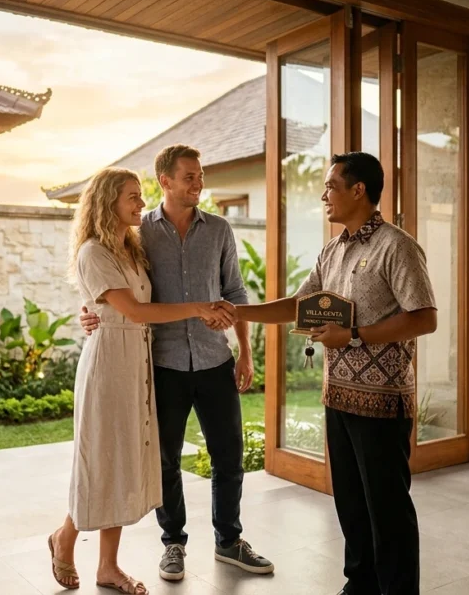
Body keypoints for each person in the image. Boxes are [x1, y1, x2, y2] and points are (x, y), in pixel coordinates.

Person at [235, 152, 437, 595]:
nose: (324, 195)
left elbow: (424, 318)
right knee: (350, 503)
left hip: (383, 401)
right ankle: (359, 586)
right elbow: (297, 306)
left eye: (331, 186)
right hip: (338, 398)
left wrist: (356, 335)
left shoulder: (397, 246)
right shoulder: (332, 249)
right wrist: (237, 311)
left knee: (387, 508)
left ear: (358, 190)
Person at [80, 145, 275, 583]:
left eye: (200, 175)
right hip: (161, 364)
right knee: (164, 459)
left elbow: (235, 292)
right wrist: (89, 312)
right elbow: (114, 284)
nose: (198, 183)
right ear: (165, 181)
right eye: (189, 176)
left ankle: (229, 541)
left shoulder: (220, 229)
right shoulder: (137, 233)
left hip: (213, 358)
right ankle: (173, 543)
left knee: (229, 456)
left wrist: (244, 351)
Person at [48, 167, 236, 594]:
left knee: (119, 461)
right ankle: (65, 537)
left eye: (140, 195)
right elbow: (133, 311)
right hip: (108, 364)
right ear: (108, 201)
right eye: (132, 196)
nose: (140, 203)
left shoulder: (131, 248)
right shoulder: (93, 252)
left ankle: (107, 567)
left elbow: (128, 307)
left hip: (138, 362)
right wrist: (198, 308)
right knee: (99, 458)